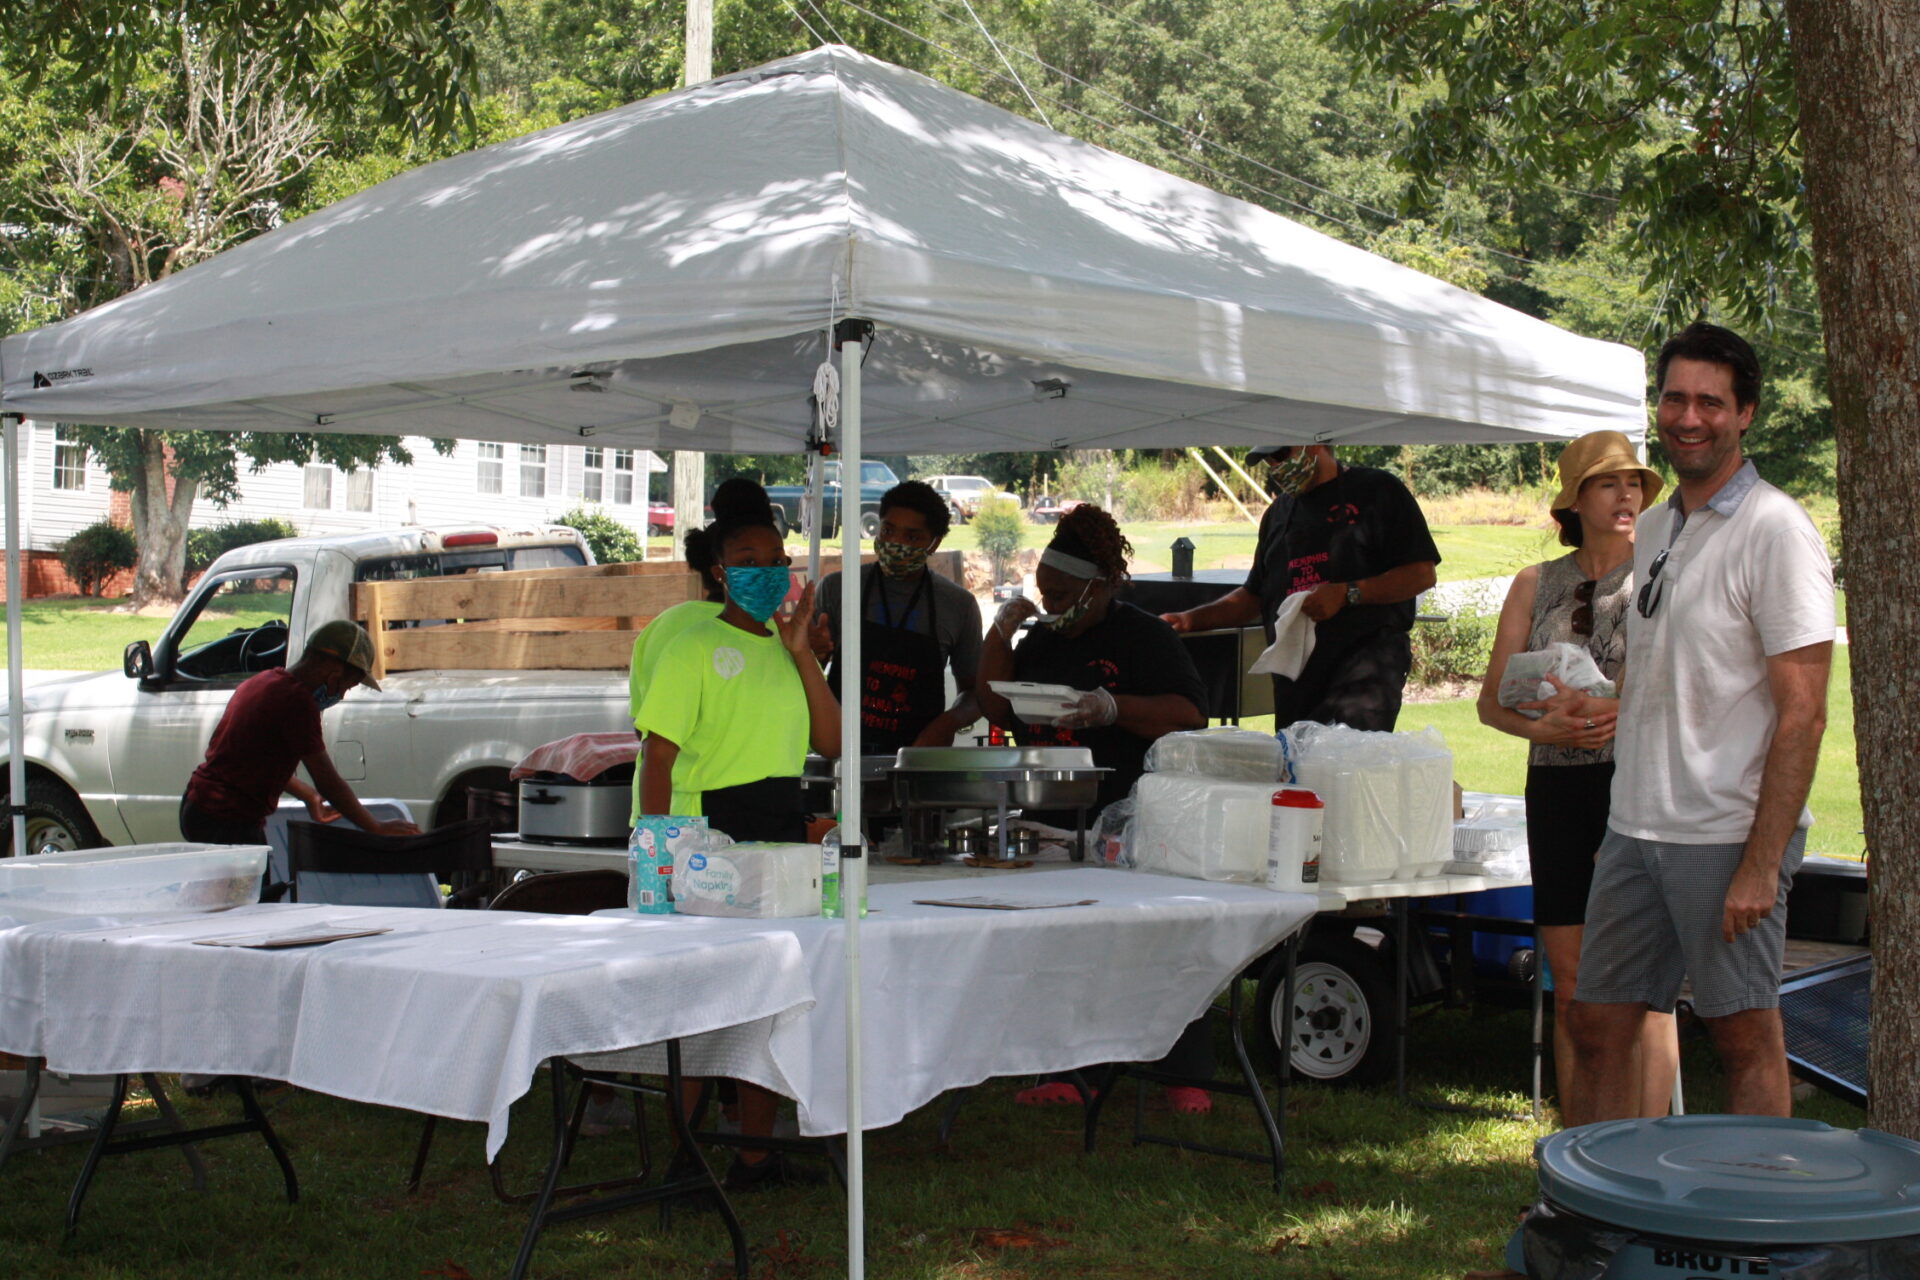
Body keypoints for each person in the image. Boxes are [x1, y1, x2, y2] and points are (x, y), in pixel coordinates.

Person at [1565, 323, 1834, 1123]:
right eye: (1676, 398)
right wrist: (1613, 708)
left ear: (1744, 412)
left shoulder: (1777, 531)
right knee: (1597, 1024)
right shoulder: (1653, 526)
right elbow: (1689, 672)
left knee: (1743, 1036)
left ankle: (1755, 1241)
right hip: (1635, 825)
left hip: (1724, 834)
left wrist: (1759, 864)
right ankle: (1591, 1234)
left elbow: (1805, 714)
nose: (1690, 417)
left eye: (1710, 402)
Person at [634, 487, 839, 1188]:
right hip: (707, 837)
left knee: (771, 1002)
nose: (764, 568)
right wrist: (658, 854)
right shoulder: (693, 645)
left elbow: (833, 742)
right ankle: (686, 1160)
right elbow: (657, 756)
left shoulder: (789, 649)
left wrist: (804, 653)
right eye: (746, 558)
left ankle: (756, 1153)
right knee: (700, 1009)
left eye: (775, 558)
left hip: (776, 836)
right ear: (718, 570)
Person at [976, 505, 1212, 1112]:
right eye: (1042, 592)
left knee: (1154, 946)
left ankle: (1179, 1073)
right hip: (1049, 817)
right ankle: (1067, 1070)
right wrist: (1001, 633)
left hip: (1129, 815)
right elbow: (1000, 709)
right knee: (1062, 948)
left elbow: (1189, 713)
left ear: (1100, 586)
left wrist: (1111, 708)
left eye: (1061, 593)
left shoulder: (1144, 637)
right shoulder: (1043, 639)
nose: (1050, 604)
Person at [1475, 430, 1677, 1123]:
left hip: (1638, 783)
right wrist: (1542, 728)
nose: (1626, 496)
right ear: (1577, 499)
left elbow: (1689, 685)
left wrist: (1618, 708)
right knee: (1575, 988)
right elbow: (1489, 701)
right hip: (1557, 789)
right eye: (1607, 484)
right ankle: (1576, 1157)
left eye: (1634, 484)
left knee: (1643, 990)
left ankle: (1646, 1153)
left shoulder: (1662, 574)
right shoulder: (1536, 583)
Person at [1160, 444, 1439, 732]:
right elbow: (1253, 596)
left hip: (1365, 671)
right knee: (1297, 768)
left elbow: (1421, 574)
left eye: (1281, 455)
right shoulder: (1277, 514)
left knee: (1345, 765)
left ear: (1314, 442)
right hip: (1297, 679)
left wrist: (1348, 593)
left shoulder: (1377, 490)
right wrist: (1189, 619)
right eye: (1267, 460)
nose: (1274, 466)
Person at [180, 619, 420, 845]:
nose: (342, 695)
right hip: (226, 818)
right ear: (334, 674)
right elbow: (328, 780)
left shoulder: (266, 681)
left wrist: (307, 795)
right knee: (249, 890)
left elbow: (254, 760)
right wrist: (376, 827)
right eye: (347, 687)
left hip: (200, 805)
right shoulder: (297, 702)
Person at [626, 477, 775, 824]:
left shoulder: (660, 627)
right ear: (720, 569)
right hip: (708, 822)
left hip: (657, 816)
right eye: (753, 562)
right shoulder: (751, 638)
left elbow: (641, 726)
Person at [809, 480, 984, 751]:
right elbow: (808, 675)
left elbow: (974, 693)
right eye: (888, 530)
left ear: (934, 543)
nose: (895, 543)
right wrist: (812, 655)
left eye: (912, 537)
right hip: (843, 753)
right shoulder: (837, 588)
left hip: (918, 760)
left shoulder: (959, 605)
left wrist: (948, 723)